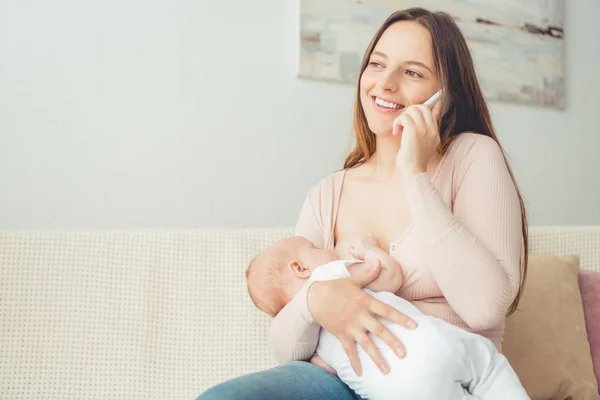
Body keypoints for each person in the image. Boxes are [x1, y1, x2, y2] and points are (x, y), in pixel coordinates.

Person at [197, 6, 528, 400]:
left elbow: (486, 308)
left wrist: (415, 175)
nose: (384, 84)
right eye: (377, 64)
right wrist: (314, 301)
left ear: (446, 94)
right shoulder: (328, 194)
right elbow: (287, 346)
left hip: (438, 378)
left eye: (412, 72)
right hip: (343, 378)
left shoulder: (474, 157)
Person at [244, 235, 529, 400]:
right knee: (489, 369)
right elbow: (391, 275)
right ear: (300, 268)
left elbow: (328, 370)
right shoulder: (331, 275)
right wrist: (369, 250)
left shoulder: (313, 345)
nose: (326, 249)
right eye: (316, 248)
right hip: (433, 343)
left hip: (401, 392)